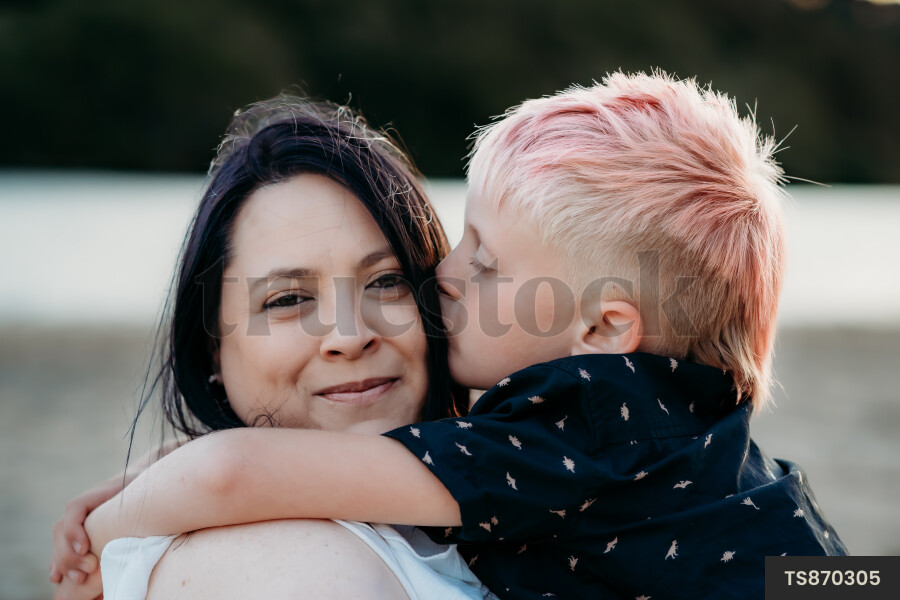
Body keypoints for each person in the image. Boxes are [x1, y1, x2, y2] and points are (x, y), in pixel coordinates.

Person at [72, 72, 847, 600]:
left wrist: (104, 536)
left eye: (483, 263)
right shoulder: (680, 422)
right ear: (209, 343)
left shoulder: (567, 425)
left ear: (605, 327)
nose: (440, 276)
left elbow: (231, 474)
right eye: (287, 298)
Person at [49, 95, 493, 600]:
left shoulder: (515, 466)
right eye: (288, 299)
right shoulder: (293, 564)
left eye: (386, 281)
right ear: (213, 349)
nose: (350, 336)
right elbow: (227, 474)